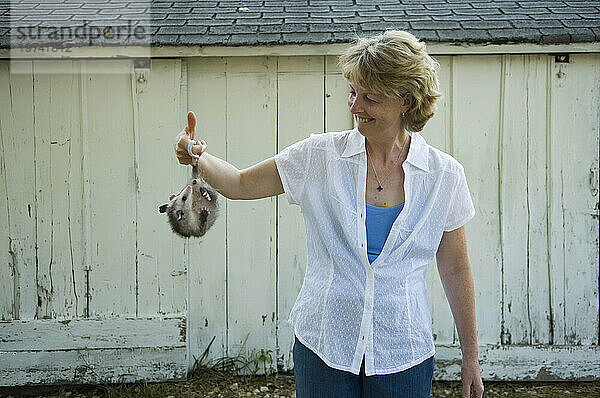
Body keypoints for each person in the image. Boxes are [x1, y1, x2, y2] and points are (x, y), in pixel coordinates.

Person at [174, 30, 484, 398]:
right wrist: (197, 155)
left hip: (404, 351)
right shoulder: (319, 157)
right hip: (324, 345)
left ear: (406, 101)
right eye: (352, 92)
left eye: (370, 97)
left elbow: (455, 269)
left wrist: (471, 357)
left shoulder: (444, 176)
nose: (354, 106)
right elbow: (241, 184)